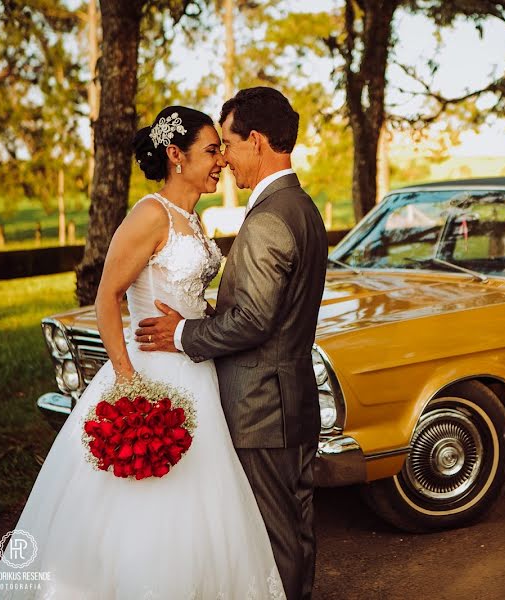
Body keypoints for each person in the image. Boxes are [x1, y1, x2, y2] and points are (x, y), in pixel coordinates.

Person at [0, 106, 286, 599]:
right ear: (175, 156)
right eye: (211, 151)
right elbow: (107, 295)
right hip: (151, 374)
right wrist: (126, 378)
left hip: (198, 373)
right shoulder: (150, 213)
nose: (221, 161)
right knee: (148, 499)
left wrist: (205, 320)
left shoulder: (194, 218)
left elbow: (186, 295)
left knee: (203, 504)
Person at [135, 87, 328, 600]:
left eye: (229, 144)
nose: (225, 158)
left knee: (274, 539)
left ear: (257, 142)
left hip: (262, 407)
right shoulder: (302, 207)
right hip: (293, 400)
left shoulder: (267, 218)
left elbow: (255, 320)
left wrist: (180, 332)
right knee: (297, 530)